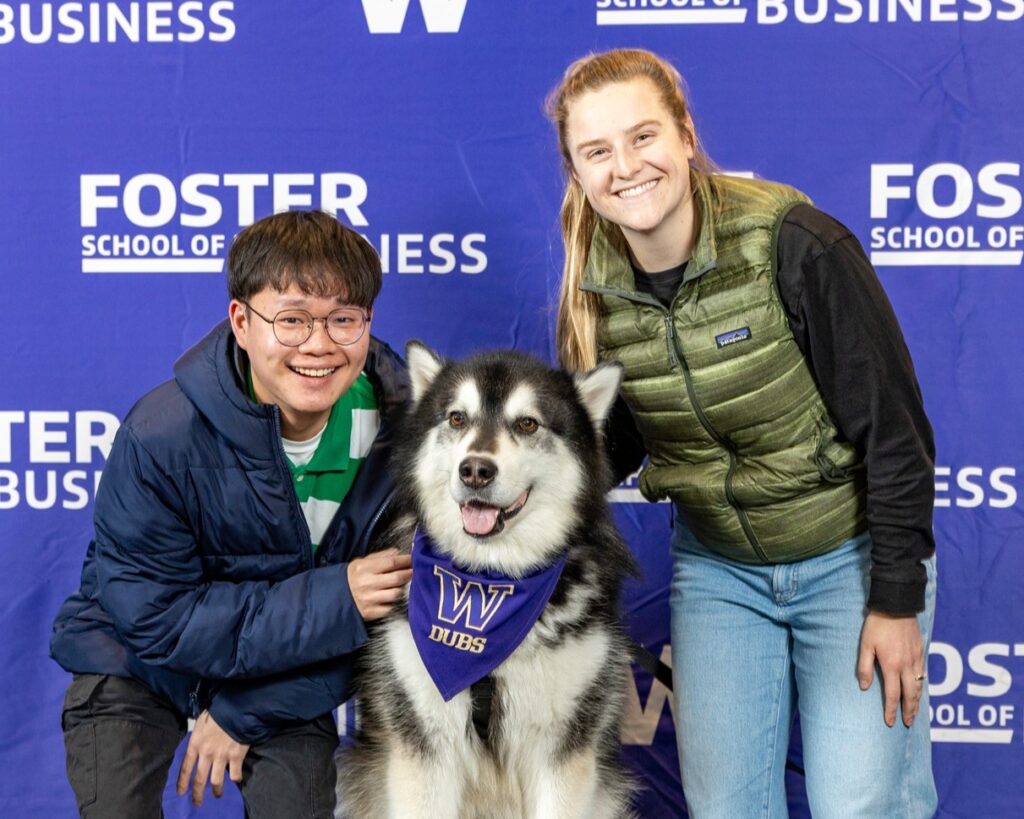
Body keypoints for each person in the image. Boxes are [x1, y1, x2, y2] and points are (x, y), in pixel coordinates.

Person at [546, 49, 937, 818]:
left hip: (847, 559)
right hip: (721, 571)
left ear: (686, 135)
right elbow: (611, 450)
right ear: (577, 170)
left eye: (644, 136)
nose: (625, 167)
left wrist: (896, 601)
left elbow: (895, 431)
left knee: (859, 804)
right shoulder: (588, 285)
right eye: (597, 151)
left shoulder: (793, 241)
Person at [50, 210, 412, 818]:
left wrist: (244, 712)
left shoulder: (411, 441)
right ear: (242, 322)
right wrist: (336, 596)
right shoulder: (159, 434)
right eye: (291, 320)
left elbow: (390, 625)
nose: (320, 345)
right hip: (139, 662)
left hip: (290, 672)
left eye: (343, 319)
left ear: (367, 322)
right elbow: (157, 617)